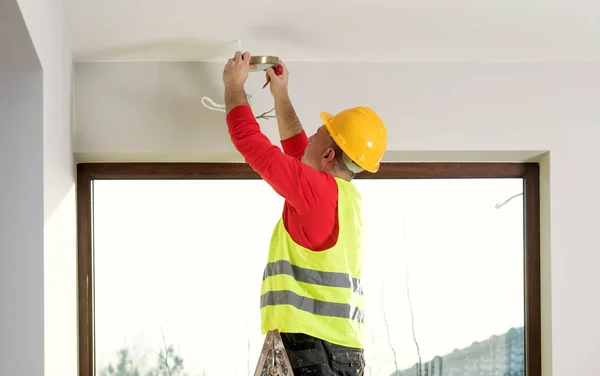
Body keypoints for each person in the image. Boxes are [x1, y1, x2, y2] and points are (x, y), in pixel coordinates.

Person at [222, 51, 388, 376]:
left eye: (318, 133)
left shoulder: (316, 193)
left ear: (328, 154)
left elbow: (250, 142)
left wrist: (233, 85)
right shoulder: (343, 198)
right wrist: (280, 94)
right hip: (342, 352)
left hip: (312, 351)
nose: (310, 135)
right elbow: (300, 151)